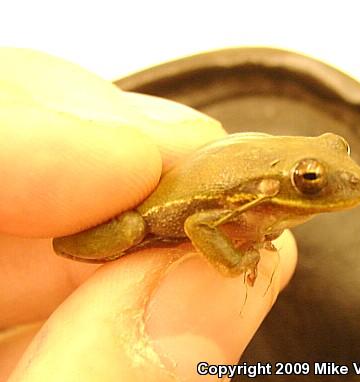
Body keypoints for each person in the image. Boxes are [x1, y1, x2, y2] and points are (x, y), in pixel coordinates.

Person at [0, 48, 297, 381]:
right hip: (141, 219)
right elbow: (198, 223)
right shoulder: (249, 191)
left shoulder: (254, 195)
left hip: (166, 190)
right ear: (271, 187)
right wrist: (234, 262)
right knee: (130, 227)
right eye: (310, 179)